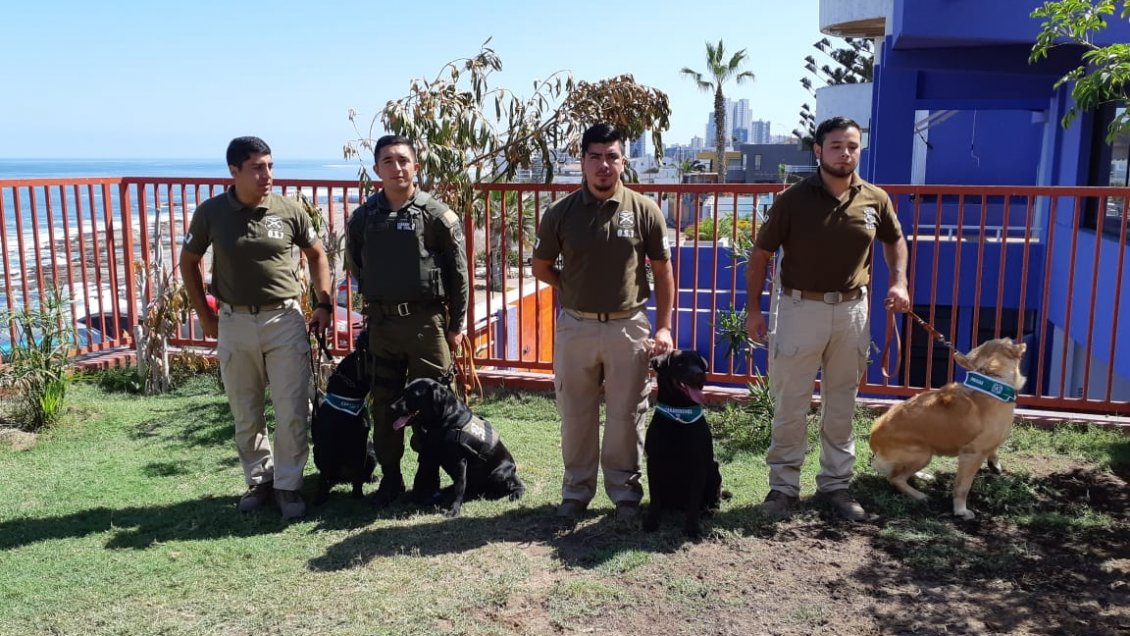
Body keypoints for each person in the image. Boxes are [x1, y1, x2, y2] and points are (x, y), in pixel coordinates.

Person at [745, 116, 910, 521]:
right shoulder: (793, 200)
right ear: (819, 151)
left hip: (854, 310)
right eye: (836, 146)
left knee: (842, 403)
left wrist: (900, 282)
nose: (845, 153)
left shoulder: (875, 198)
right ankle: (783, 489)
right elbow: (761, 253)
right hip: (800, 309)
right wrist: (753, 310)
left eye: (852, 146)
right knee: (791, 404)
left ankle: (836, 486)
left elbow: (895, 240)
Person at [180, 136, 332, 521]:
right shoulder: (211, 212)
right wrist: (204, 314)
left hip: (284, 320)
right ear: (234, 171)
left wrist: (323, 303)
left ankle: (289, 486)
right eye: (257, 168)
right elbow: (189, 261)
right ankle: (260, 480)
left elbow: (317, 255)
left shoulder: (289, 209)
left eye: (270, 166)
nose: (267, 175)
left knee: (293, 407)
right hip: (234, 322)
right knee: (245, 409)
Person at [532, 123, 674, 525]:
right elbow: (541, 266)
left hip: (629, 327)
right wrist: (569, 287)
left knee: (627, 414)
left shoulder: (645, 210)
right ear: (582, 162)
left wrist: (662, 327)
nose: (603, 165)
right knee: (575, 413)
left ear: (623, 160)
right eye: (595, 156)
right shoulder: (560, 213)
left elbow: (663, 273)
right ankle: (576, 493)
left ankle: (625, 493)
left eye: (612, 156)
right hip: (575, 327)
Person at [344, 134, 469, 507]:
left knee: (434, 405)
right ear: (377, 168)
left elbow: (458, 274)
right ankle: (391, 478)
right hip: (383, 327)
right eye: (388, 161)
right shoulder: (364, 217)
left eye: (403, 160)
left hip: (426, 326)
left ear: (415, 166)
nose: (396, 168)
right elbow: (357, 265)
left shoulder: (436, 215)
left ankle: (428, 477)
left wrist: (456, 325)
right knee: (384, 403)